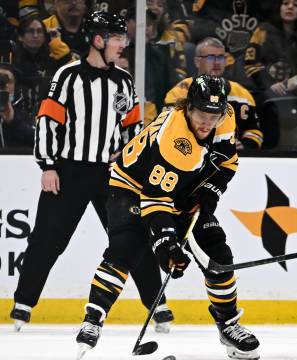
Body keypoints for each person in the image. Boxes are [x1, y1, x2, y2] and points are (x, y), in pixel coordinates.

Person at [10, 11, 175, 334]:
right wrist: (48, 165)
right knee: (48, 238)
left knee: (132, 236)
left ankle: (157, 303)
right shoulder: (67, 76)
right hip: (68, 171)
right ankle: (24, 303)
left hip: (112, 174)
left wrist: (131, 163)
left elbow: (133, 131)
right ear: (98, 40)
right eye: (117, 39)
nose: (122, 46)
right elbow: (48, 121)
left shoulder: (124, 81)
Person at [76, 74, 260, 360]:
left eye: (213, 115)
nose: (207, 122)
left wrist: (208, 193)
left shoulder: (226, 116)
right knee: (126, 248)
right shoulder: (177, 141)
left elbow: (227, 162)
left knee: (218, 254)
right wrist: (168, 245)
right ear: (188, 107)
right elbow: (155, 199)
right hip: (132, 188)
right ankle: (93, 320)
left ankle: (228, 325)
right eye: (201, 113)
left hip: (179, 187)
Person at [165, 37, 264, 149]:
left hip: (231, 161)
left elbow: (254, 132)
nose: (217, 62)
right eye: (211, 57)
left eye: (221, 57)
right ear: (197, 61)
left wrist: (244, 147)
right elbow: (169, 130)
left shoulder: (242, 94)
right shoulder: (180, 92)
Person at [0, 63, 35, 149]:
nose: (4, 85)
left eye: (9, 81)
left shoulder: (24, 114)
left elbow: (37, 139)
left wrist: (13, 120)